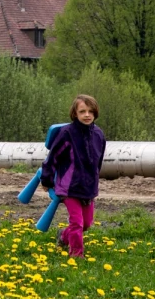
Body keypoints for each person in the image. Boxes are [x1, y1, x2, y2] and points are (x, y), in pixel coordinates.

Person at [40, 94, 106, 258]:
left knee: (86, 224)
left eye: (90, 111)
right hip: (69, 186)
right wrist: (47, 179)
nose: (87, 115)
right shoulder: (67, 133)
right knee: (76, 222)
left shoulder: (98, 135)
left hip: (88, 187)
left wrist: (94, 182)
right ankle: (76, 255)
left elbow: (98, 162)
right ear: (75, 113)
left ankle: (63, 236)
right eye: (82, 111)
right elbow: (53, 157)